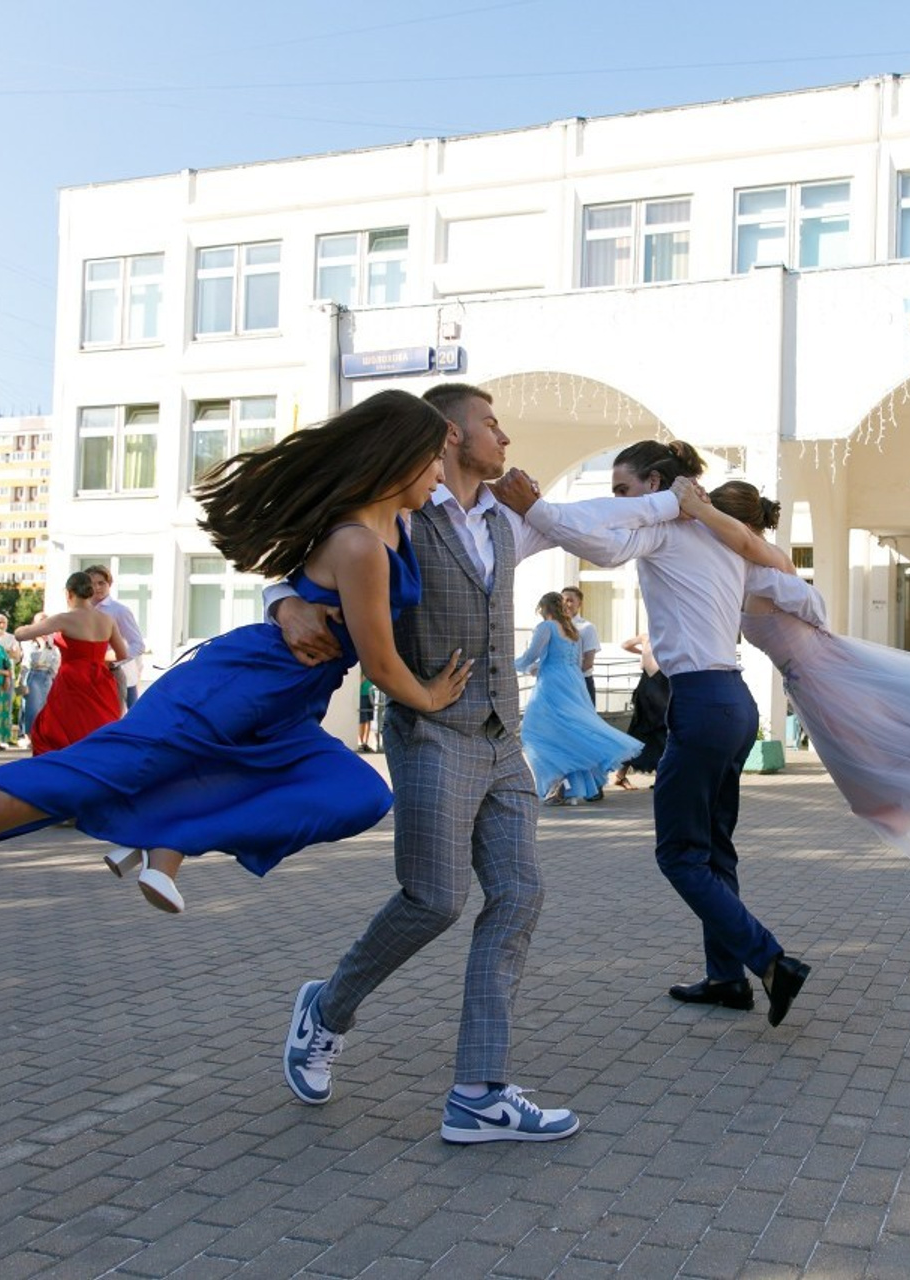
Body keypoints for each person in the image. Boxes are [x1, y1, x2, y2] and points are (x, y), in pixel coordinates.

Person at [272, 382, 679, 1143]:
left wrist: (678, 503)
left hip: (502, 740)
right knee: (433, 901)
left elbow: (596, 517)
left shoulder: (507, 521)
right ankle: (325, 1011)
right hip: (430, 735)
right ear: (450, 437)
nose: (506, 438)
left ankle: (478, 1092)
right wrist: (280, 605)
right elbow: (304, 569)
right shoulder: (395, 514)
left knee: (520, 896)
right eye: (492, 425)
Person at [0, 390, 470, 918]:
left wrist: (287, 599)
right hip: (237, 689)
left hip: (291, 708)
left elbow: (294, 581)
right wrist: (429, 697)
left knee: (356, 792)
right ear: (399, 454)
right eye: (433, 457)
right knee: (88, 776)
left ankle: (166, 833)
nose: (440, 471)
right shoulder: (359, 541)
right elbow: (380, 665)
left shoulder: (398, 525)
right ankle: (159, 835)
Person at [496, 440, 826, 1029]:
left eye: (625, 490)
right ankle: (727, 979)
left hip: (700, 705)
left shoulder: (668, 529)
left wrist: (540, 510)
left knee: (679, 854)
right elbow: (799, 594)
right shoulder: (723, 538)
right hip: (735, 701)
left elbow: (602, 539)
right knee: (714, 848)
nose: (620, 502)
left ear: (654, 483)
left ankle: (771, 962)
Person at [677, 480, 910, 858]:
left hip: (825, 677)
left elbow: (805, 602)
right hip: (815, 678)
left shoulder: (767, 567)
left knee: (880, 770)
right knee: (894, 750)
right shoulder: (746, 572)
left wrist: (699, 508)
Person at [514, 591, 641, 805]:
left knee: (535, 732)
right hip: (574, 684)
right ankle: (561, 790)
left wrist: (509, 664)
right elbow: (566, 661)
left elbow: (531, 655)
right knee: (568, 733)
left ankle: (556, 787)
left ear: (544, 609)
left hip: (552, 686)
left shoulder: (547, 627)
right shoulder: (572, 630)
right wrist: (536, 667)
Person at [24, 573, 127, 756]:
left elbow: (20, 635)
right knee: (97, 725)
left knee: (64, 729)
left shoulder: (63, 618)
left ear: (69, 593)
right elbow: (122, 654)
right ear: (90, 592)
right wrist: (95, 657)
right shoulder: (107, 620)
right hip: (100, 679)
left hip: (72, 678)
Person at [85, 565, 146, 712]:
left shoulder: (119, 610)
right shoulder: (82, 610)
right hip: (85, 673)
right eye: (92, 584)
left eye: (101, 583)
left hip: (110, 674)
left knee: (110, 718)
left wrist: (114, 661)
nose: (97, 587)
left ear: (109, 584)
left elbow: (138, 645)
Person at [613, 633, 668, 791]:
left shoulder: (647, 635)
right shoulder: (661, 633)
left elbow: (625, 644)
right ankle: (622, 774)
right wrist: (642, 653)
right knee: (656, 730)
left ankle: (621, 774)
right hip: (657, 685)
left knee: (647, 731)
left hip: (652, 684)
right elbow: (625, 644)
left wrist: (643, 653)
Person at [20, 624, 60, 743]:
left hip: (48, 676)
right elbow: (36, 662)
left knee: (45, 708)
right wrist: (42, 645)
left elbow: (55, 662)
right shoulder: (28, 644)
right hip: (35, 675)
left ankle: (42, 736)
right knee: (33, 708)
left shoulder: (52, 645)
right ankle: (29, 736)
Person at [561, 586, 601, 704]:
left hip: (581, 683)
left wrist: (568, 677)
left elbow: (588, 662)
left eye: (570, 600)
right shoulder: (553, 626)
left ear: (579, 604)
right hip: (560, 683)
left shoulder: (587, 628)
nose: (566, 604)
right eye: (562, 600)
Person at [0, 614, 21, 747]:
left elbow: (17, 656)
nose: (1, 625)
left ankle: (2, 739)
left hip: (7, 677)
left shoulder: (11, 638)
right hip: (4, 673)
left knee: (6, 708)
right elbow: (10, 653)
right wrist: (8, 652)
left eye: (3, 622)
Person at [356, 670, 376, 753]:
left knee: (369, 720)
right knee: (362, 720)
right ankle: (360, 742)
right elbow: (358, 683)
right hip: (362, 696)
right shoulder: (361, 672)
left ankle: (366, 742)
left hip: (371, 695)